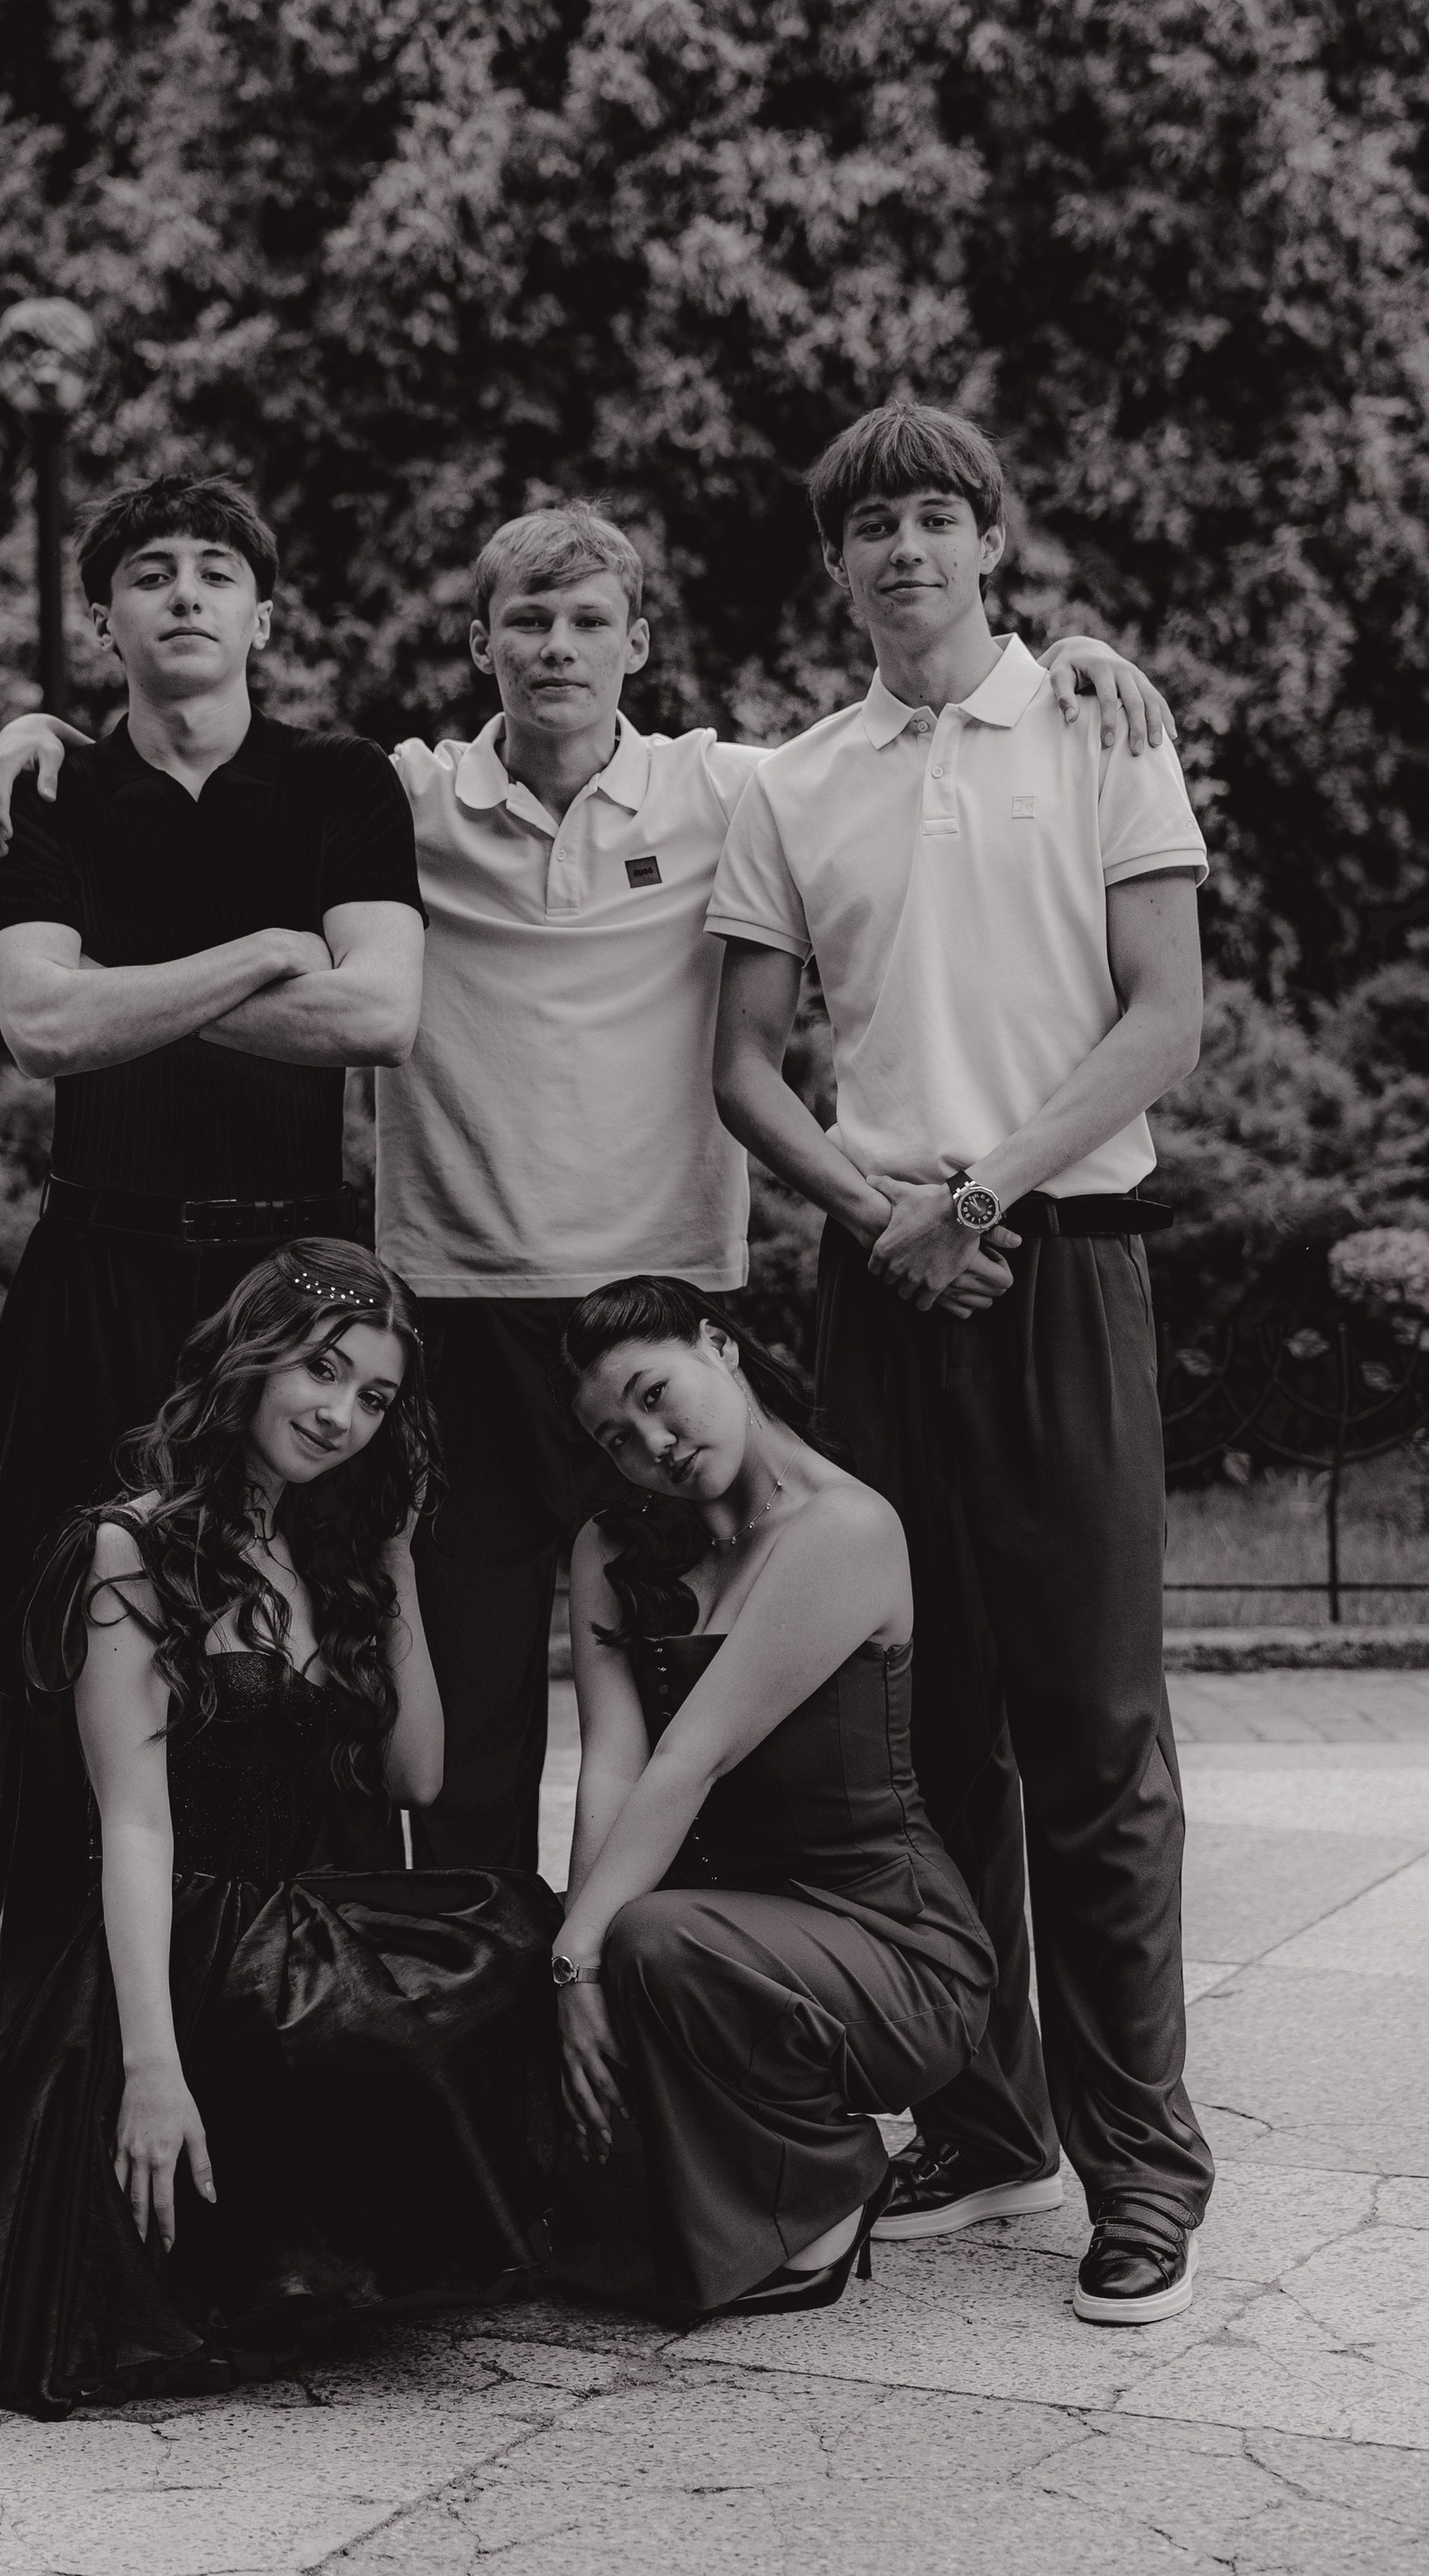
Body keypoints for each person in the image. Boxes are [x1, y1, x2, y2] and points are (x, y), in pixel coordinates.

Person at [0, 504, 1175, 1877]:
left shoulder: (735, 790)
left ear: (637, 644)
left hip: (663, 1310)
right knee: (473, 1730)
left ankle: (666, 1987)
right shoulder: (405, 798)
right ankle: (476, 1999)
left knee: (695, 1709)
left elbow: (901, 749)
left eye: (590, 621)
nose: (558, 647)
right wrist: (49, 733)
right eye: (529, 621)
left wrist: (1065, 665)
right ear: (479, 643)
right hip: (460, 1314)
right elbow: (220, 739)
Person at [710, 398, 1213, 2326]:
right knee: (922, 1739)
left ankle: (1142, 2167)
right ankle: (988, 2122)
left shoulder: (1103, 727)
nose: (905, 551)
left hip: (1061, 1264)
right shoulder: (793, 781)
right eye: (871, 527)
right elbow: (747, 1062)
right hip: (880, 1284)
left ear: (991, 541)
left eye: (938, 517)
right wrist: (876, 1213)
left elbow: (1163, 1020)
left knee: (1094, 1737)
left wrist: (976, 1197)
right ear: (835, 564)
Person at [0, 1244, 561, 2420]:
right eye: (322, 1371)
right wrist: (149, 2069)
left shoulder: (332, 1553)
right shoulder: (131, 1547)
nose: (342, 1415)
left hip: (282, 1922)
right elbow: (133, 1823)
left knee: (512, 1936)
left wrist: (395, 1558)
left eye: (375, 1398)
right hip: (159, 1936)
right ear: (251, 1359)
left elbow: (418, 1774)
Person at [0, 470, 426, 1939]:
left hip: (293, 1284)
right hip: (99, 1264)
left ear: (264, 618)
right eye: (150, 572)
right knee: (70, 1646)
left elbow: (381, 1015)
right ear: (105, 620)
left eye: (216, 571)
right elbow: (41, 1029)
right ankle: (66, 2023)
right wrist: (269, 950)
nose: (184, 592)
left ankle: (324, 2000)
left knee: (317, 1629)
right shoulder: (47, 788)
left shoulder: (341, 783)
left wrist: (125, 990)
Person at [547, 1275, 995, 2319]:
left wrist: (582, 1960)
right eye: (617, 1438)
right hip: (726, 1934)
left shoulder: (846, 1529)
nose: (652, 1444)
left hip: (894, 1950)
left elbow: (689, 1760)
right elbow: (612, 1764)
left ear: (720, 1345)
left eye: (655, 1395)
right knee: (601, 1938)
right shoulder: (612, 1547)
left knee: (639, 1936)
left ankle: (831, 2191)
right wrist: (571, 1960)